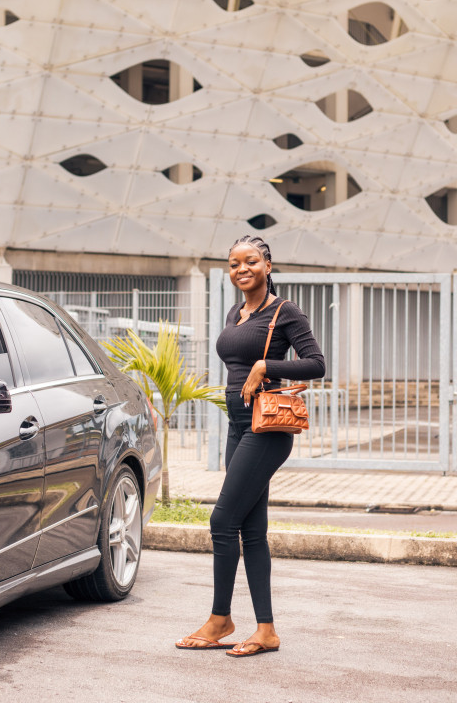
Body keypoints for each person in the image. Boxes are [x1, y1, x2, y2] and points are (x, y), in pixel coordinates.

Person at [176, 234, 325, 657]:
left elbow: (316, 363)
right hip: (237, 427)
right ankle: (266, 631)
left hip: (267, 430)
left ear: (268, 266)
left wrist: (266, 366)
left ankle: (220, 618)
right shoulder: (236, 312)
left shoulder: (285, 311)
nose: (242, 269)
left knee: (221, 522)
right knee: (250, 530)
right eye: (234, 263)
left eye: (251, 261)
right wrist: (251, 367)